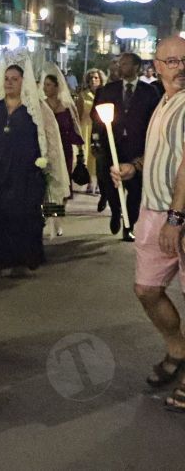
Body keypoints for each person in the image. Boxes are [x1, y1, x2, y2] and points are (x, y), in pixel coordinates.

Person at [111, 36, 185, 411]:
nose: (180, 67)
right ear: (155, 66)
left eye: (184, 61)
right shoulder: (163, 100)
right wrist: (133, 167)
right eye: (171, 62)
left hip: (178, 214)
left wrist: (176, 217)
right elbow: (163, 152)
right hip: (153, 210)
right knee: (147, 289)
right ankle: (177, 349)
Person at [0, 61, 67, 276]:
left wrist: (49, 164)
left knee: (22, 217)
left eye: (15, 79)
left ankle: (21, 262)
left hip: (25, 173)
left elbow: (49, 138)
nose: (10, 83)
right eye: (6, 79)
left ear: (24, 82)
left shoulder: (38, 108)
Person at [93, 52, 159, 241]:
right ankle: (115, 211)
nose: (121, 67)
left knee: (135, 190)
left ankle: (128, 224)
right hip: (111, 146)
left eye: (126, 63)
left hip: (136, 149)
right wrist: (96, 140)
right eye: (120, 63)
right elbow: (98, 116)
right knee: (111, 184)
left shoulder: (149, 92)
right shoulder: (109, 90)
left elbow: (153, 121)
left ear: (137, 67)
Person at [43, 66, 84, 237]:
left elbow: (76, 128)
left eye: (50, 85)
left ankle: (58, 218)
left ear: (57, 87)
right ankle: (48, 217)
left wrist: (81, 151)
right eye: (44, 85)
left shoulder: (67, 107)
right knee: (47, 186)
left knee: (62, 185)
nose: (46, 88)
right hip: (46, 150)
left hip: (65, 150)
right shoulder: (41, 106)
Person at [76, 68, 105, 194]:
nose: (93, 80)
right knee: (87, 157)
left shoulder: (105, 94)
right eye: (91, 78)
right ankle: (89, 183)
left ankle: (100, 183)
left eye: (96, 77)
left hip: (100, 128)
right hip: (86, 127)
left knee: (100, 157)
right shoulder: (83, 95)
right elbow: (78, 114)